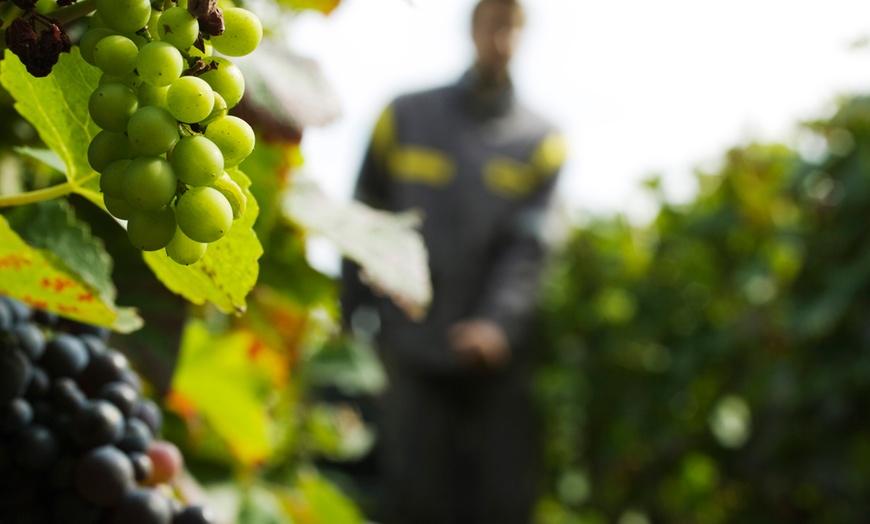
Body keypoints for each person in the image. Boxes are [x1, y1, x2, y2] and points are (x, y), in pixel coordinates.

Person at [341, 0, 566, 522]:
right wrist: (349, 318)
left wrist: (496, 324)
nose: (501, 40)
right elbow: (361, 220)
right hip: (410, 346)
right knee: (411, 497)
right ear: (473, 29)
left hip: (490, 363)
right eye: (493, 26)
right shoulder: (404, 116)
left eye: (512, 28)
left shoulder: (541, 140)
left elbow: (529, 246)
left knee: (496, 501)